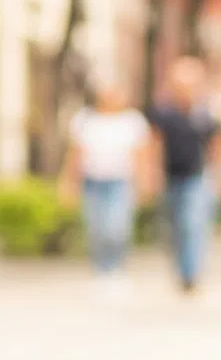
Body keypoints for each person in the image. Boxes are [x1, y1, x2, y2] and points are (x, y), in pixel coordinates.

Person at [61, 84, 153, 279]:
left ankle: (116, 266)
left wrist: (145, 181)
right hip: (92, 181)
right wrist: (69, 182)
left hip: (121, 181)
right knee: (96, 227)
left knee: (117, 227)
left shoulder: (133, 121)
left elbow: (142, 154)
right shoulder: (85, 120)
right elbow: (75, 153)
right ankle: (101, 268)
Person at [148, 58, 220, 293]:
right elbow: (154, 143)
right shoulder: (164, 113)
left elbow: (218, 142)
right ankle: (181, 269)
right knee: (174, 228)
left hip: (197, 177)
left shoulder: (206, 114)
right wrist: (152, 173)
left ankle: (191, 273)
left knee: (193, 224)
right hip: (170, 177)